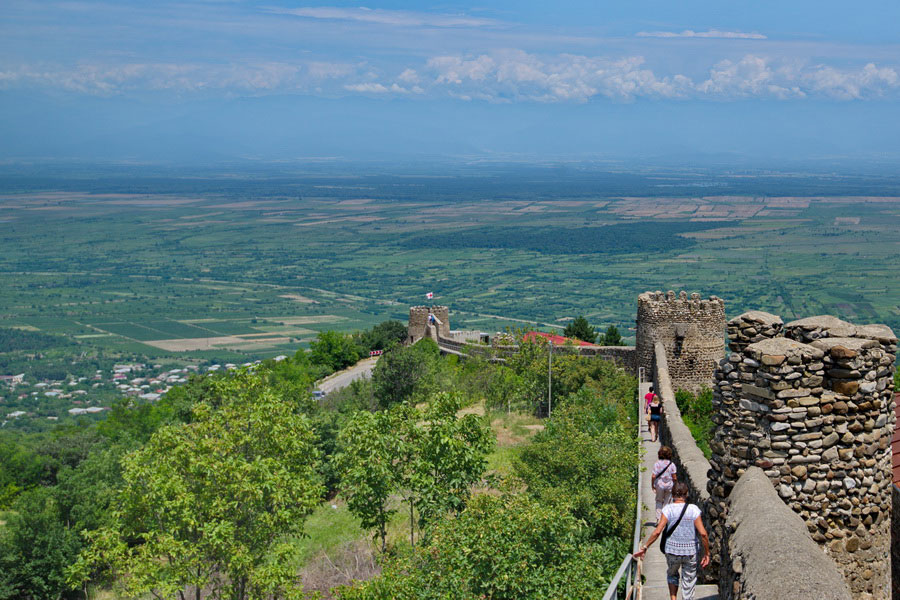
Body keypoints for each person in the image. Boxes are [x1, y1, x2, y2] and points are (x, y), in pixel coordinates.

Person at [633, 482, 710, 600]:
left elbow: (657, 532)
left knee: (672, 574)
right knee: (688, 580)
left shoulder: (668, 509)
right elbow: (703, 534)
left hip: (672, 551)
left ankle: (673, 598)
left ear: (673, 495)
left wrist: (645, 547)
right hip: (690, 552)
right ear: (687, 494)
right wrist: (707, 553)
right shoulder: (693, 509)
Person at [651, 446, 677, 522]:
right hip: (669, 485)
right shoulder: (672, 465)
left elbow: (653, 476)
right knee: (667, 502)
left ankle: (658, 519)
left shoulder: (657, 464)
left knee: (659, 501)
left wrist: (652, 485)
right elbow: (674, 477)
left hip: (659, 485)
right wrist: (675, 485)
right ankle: (664, 520)